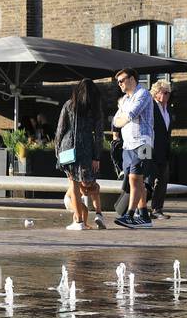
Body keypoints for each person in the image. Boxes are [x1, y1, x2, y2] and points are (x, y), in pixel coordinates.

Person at [56, 78, 107, 231]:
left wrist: (57, 151)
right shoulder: (96, 109)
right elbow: (99, 135)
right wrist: (96, 157)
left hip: (68, 147)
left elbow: (60, 129)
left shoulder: (69, 105)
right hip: (86, 148)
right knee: (87, 183)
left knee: (73, 184)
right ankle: (93, 214)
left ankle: (78, 221)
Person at [111, 69, 154, 228]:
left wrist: (124, 118)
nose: (120, 84)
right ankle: (143, 215)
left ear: (132, 79)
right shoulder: (125, 99)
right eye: (118, 82)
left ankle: (129, 215)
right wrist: (123, 118)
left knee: (135, 178)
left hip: (144, 142)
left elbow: (130, 115)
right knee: (137, 179)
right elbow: (116, 121)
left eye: (122, 80)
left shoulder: (143, 94)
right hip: (128, 145)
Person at [148, 80, 173, 218]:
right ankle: (139, 209)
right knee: (148, 180)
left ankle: (157, 209)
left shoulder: (168, 109)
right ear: (156, 93)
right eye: (164, 92)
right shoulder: (151, 107)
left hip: (164, 151)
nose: (167, 95)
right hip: (151, 149)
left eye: (168, 93)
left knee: (162, 180)